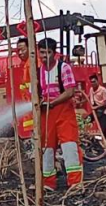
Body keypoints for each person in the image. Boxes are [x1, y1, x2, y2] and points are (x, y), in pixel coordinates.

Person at [36, 37, 83, 189]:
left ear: (54, 53)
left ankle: (75, 182)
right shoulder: (38, 72)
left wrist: (53, 102)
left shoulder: (63, 68)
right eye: (42, 52)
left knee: (69, 146)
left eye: (48, 52)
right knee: (46, 149)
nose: (44, 56)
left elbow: (69, 91)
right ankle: (48, 183)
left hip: (63, 111)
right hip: (46, 114)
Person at [11, 37, 34, 140]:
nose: (20, 53)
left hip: (34, 108)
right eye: (18, 50)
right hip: (31, 108)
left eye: (23, 49)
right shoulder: (26, 64)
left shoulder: (32, 64)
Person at [88, 73, 106, 138]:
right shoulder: (91, 89)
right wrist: (80, 102)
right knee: (86, 120)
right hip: (95, 111)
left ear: (97, 81)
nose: (93, 83)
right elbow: (88, 97)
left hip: (102, 111)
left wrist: (97, 107)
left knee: (102, 128)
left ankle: (105, 142)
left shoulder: (103, 90)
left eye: (94, 82)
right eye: (91, 82)